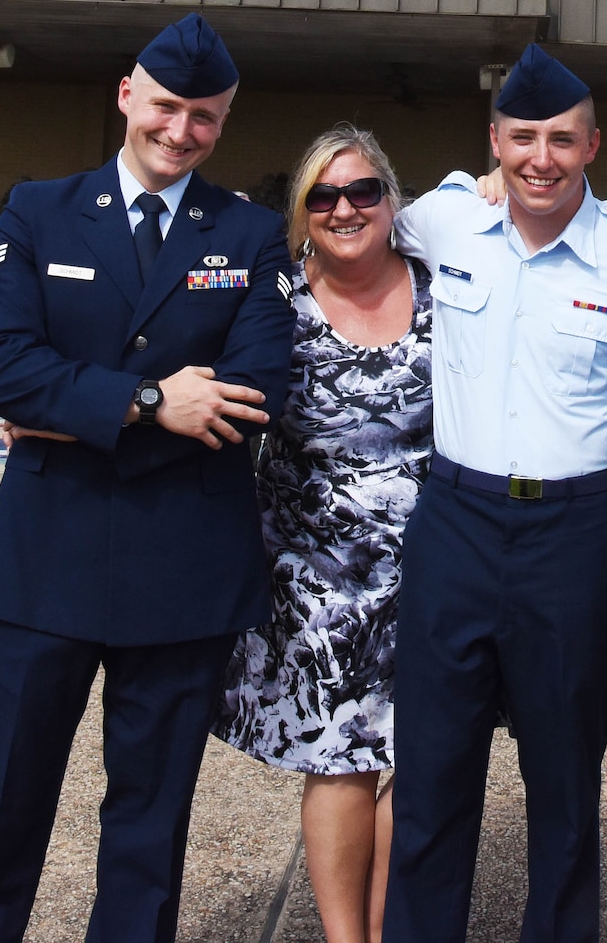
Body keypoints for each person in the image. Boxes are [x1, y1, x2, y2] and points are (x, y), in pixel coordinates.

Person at [0, 13, 294, 941]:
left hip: (182, 570)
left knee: (149, 818)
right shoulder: (39, 208)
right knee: (4, 802)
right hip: (42, 562)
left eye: (205, 117)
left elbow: (255, 392)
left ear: (223, 122)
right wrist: (145, 403)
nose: (181, 131)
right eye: (167, 106)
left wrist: (68, 415)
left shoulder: (250, 234)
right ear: (128, 95)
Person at [381, 43, 607, 943]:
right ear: (494, 141)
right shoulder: (442, 220)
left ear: (592, 145)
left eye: (560, 138)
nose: (538, 157)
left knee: (564, 784)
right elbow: (344, 237)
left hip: (572, 536)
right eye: (521, 138)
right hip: (455, 525)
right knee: (431, 776)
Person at [217, 127, 430, 943]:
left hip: (430, 565)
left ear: (391, 198)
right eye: (325, 196)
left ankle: (390, 927)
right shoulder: (274, 300)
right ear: (302, 212)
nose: (346, 208)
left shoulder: (444, 284)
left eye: (363, 190)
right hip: (314, 576)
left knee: (419, 757)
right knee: (340, 756)